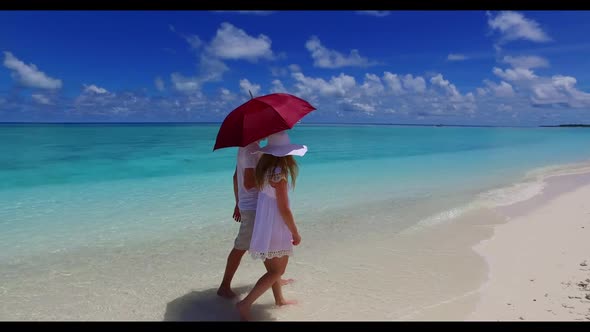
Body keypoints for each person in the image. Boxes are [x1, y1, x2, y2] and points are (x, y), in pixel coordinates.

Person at [236, 130, 306, 321]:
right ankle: (245, 304)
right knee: (277, 271)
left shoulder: (263, 171)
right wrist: (295, 232)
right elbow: (284, 209)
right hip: (276, 225)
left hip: (263, 225)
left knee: (272, 270)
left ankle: (279, 300)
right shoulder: (280, 175)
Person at [217, 139, 292, 299]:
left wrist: (238, 202)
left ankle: (275, 278)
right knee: (241, 246)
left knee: (264, 244)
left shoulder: (245, 148)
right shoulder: (251, 150)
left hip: (249, 205)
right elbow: (249, 182)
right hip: (253, 207)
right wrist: (275, 183)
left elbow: (235, 177)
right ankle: (224, 286)